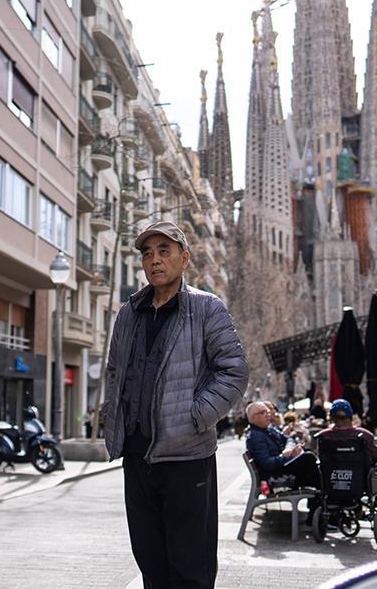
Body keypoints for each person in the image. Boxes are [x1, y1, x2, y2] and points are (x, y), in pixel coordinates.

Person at [102, 221, 247, 589]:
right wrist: (112, 417)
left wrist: (196, 415)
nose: (154, 260)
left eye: (164, 251)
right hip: (137, 455)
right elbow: (115, 370)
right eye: (147, 253)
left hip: (186, 457)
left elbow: (234, 371)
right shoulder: (128, 313)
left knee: (190, 566)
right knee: (150, 561)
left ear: (184, 259)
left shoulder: (206, 308)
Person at [244, 402, 320, 491]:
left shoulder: (268, 429)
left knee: (309, 458)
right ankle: (322, 497)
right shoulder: (255, 436)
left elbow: (288, 438)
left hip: (281, 471)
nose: (268, 415)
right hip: (274, 478)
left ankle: (320, 498)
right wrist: (289, 456)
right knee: (309, 459)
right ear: (253, 418)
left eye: (267, 412)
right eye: (263, 413)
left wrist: (288, 449)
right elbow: (267, 464)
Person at [315, 399, 377, 464]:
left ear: (332, 417)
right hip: (358, 474)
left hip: (331, 474)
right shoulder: (365, 435)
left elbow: (320, 457)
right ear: (350, 416)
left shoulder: (323, 435)